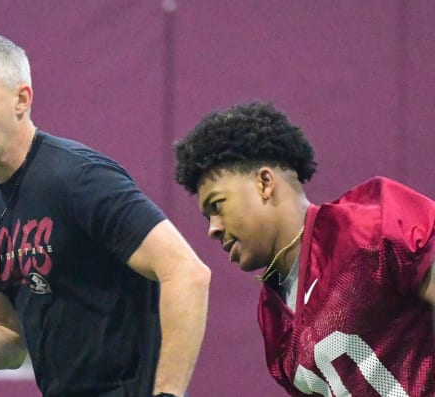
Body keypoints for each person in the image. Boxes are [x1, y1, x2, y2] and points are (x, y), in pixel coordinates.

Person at [0, 33, 211, 397]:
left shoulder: (79, 177)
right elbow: (8, 340)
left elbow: (187, 273)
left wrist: (168, 395)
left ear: (21, 99)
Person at [173, 102, 435, 396]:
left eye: (218, 205)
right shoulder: (272, 316)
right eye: (208, 218)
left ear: (264, 182)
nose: (213, 228)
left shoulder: (369, 226)